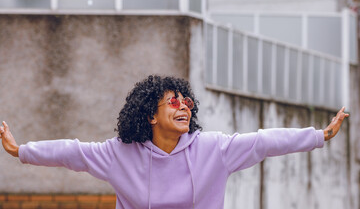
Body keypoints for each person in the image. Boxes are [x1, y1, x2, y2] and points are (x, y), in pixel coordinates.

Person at [0, 75, 349, 209]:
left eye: (187, 102)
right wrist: (21, 151)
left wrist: (318, 136)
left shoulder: (214, 149)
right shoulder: (118, 155)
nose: (184, 107)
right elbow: (72, 152)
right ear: (150, 115)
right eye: (174, 102)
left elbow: (264, 142)